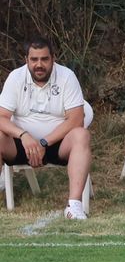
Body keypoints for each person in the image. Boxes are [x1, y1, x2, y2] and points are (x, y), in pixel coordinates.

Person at [0, 38, 91, 220]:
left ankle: (74, 206)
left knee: (82, 134)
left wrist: (44, 142)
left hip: (57, 144)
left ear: (53, 59)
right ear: (26, 60)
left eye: (44, 59)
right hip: (21, 144)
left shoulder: (67, 77)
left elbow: (77, 119)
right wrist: (24, 135)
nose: (39, 65)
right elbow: (1, 117)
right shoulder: (16, 78)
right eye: (34, 60)